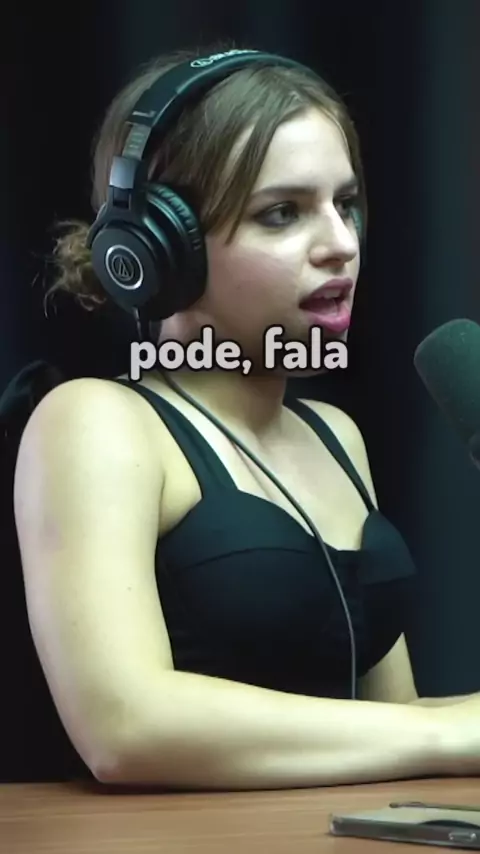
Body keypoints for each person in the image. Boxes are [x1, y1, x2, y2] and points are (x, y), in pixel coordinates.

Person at [13, 42, 480, 791]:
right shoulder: (96, 422)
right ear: (159, 250)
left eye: (345, 204)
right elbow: (123, 727)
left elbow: (390, 726)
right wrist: (444, 731)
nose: (341, 244)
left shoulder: (335, 436)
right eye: (281, 214)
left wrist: (444, 729)